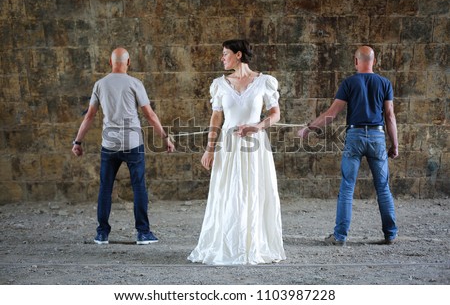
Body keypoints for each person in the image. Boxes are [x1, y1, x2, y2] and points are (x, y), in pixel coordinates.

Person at [188, 39, 286, 265]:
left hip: (255, 148)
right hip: (228, 147)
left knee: (255, 191)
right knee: (228, 193)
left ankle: (253, 245)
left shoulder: (264, 82)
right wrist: (209, 149)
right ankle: (228, 244)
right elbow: (216, 118)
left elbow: (275, 114)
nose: (222, 58)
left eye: (225, 54)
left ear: (238, 55)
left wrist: (258, 126)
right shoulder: (219, 85)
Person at [72, 47, 175, 245]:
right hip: (133, 144)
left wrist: (78, 142)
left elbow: (90, 116)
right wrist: (165, 138)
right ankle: (143, 233)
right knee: (139, 188)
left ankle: (102, 233)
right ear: (128, 63)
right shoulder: (135, 83)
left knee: (105, 188)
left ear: (110, 63)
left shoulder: (100, 84)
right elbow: (150, 115)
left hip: (109, 145)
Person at [298, 46, 398, 246]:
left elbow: (332, 113)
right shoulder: (385, 83)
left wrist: (309, 128)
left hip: (355, 136)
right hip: (378, 137)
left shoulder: (349, 83)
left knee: (347, 188)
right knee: (383, 188)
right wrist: (394, 144)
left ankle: (340, 236)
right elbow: (389, 116)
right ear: (374, 61)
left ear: (356, 61)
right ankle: (390, 234)